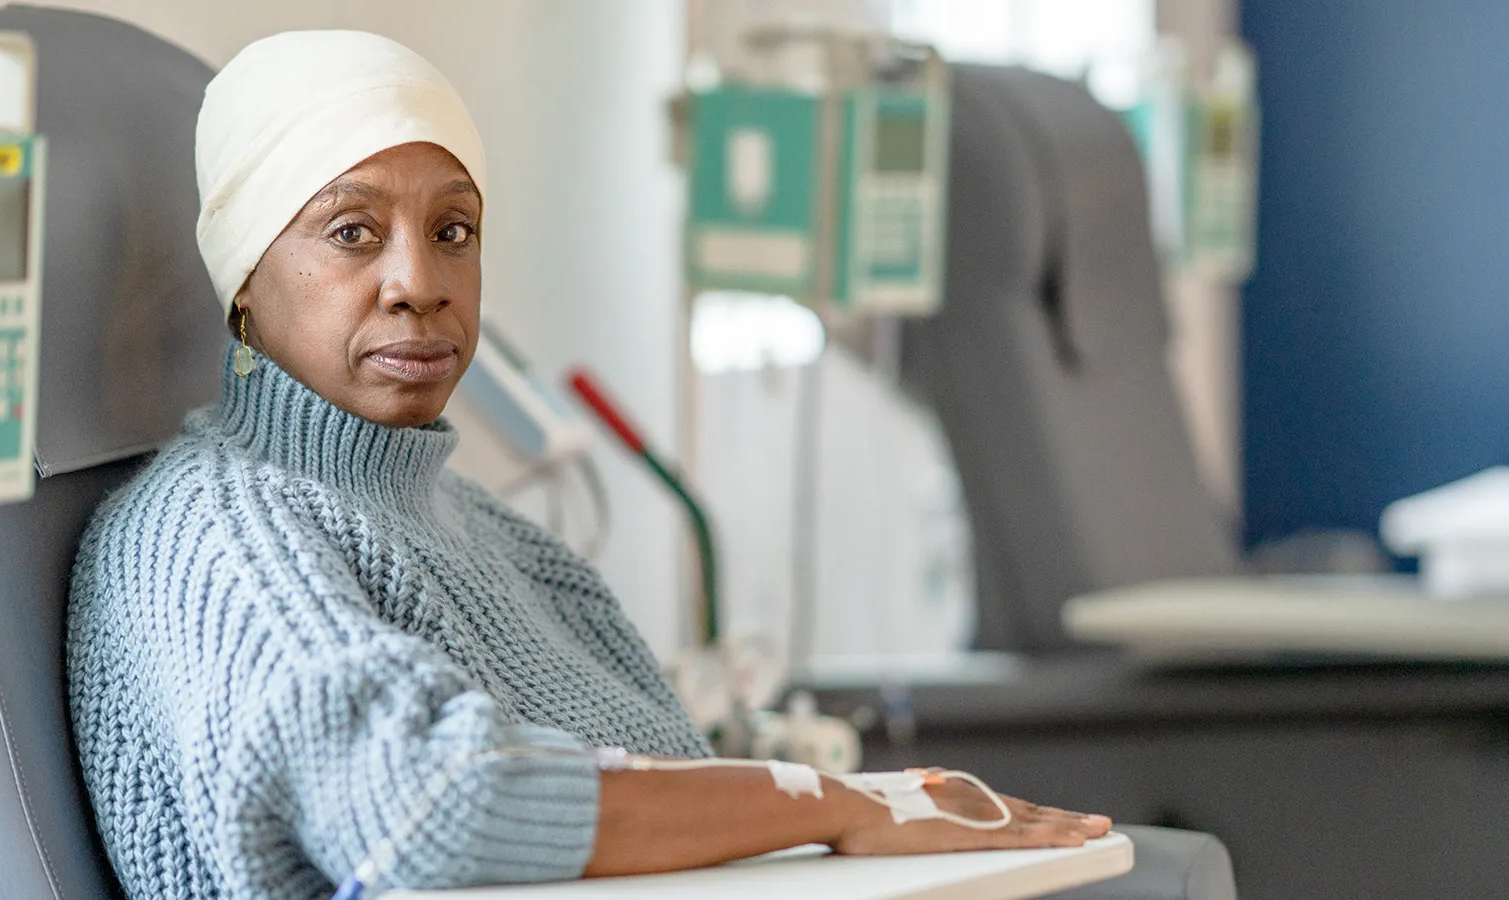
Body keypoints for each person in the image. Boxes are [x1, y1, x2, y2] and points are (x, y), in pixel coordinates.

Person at [65, 29, 1111, 900]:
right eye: (352, 232)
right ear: (245, 277)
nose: (417, 282)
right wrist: (838, 804)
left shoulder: (500, 541)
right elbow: (430, 806)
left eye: (454, 230)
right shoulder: (210, 537)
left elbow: (678, 776)